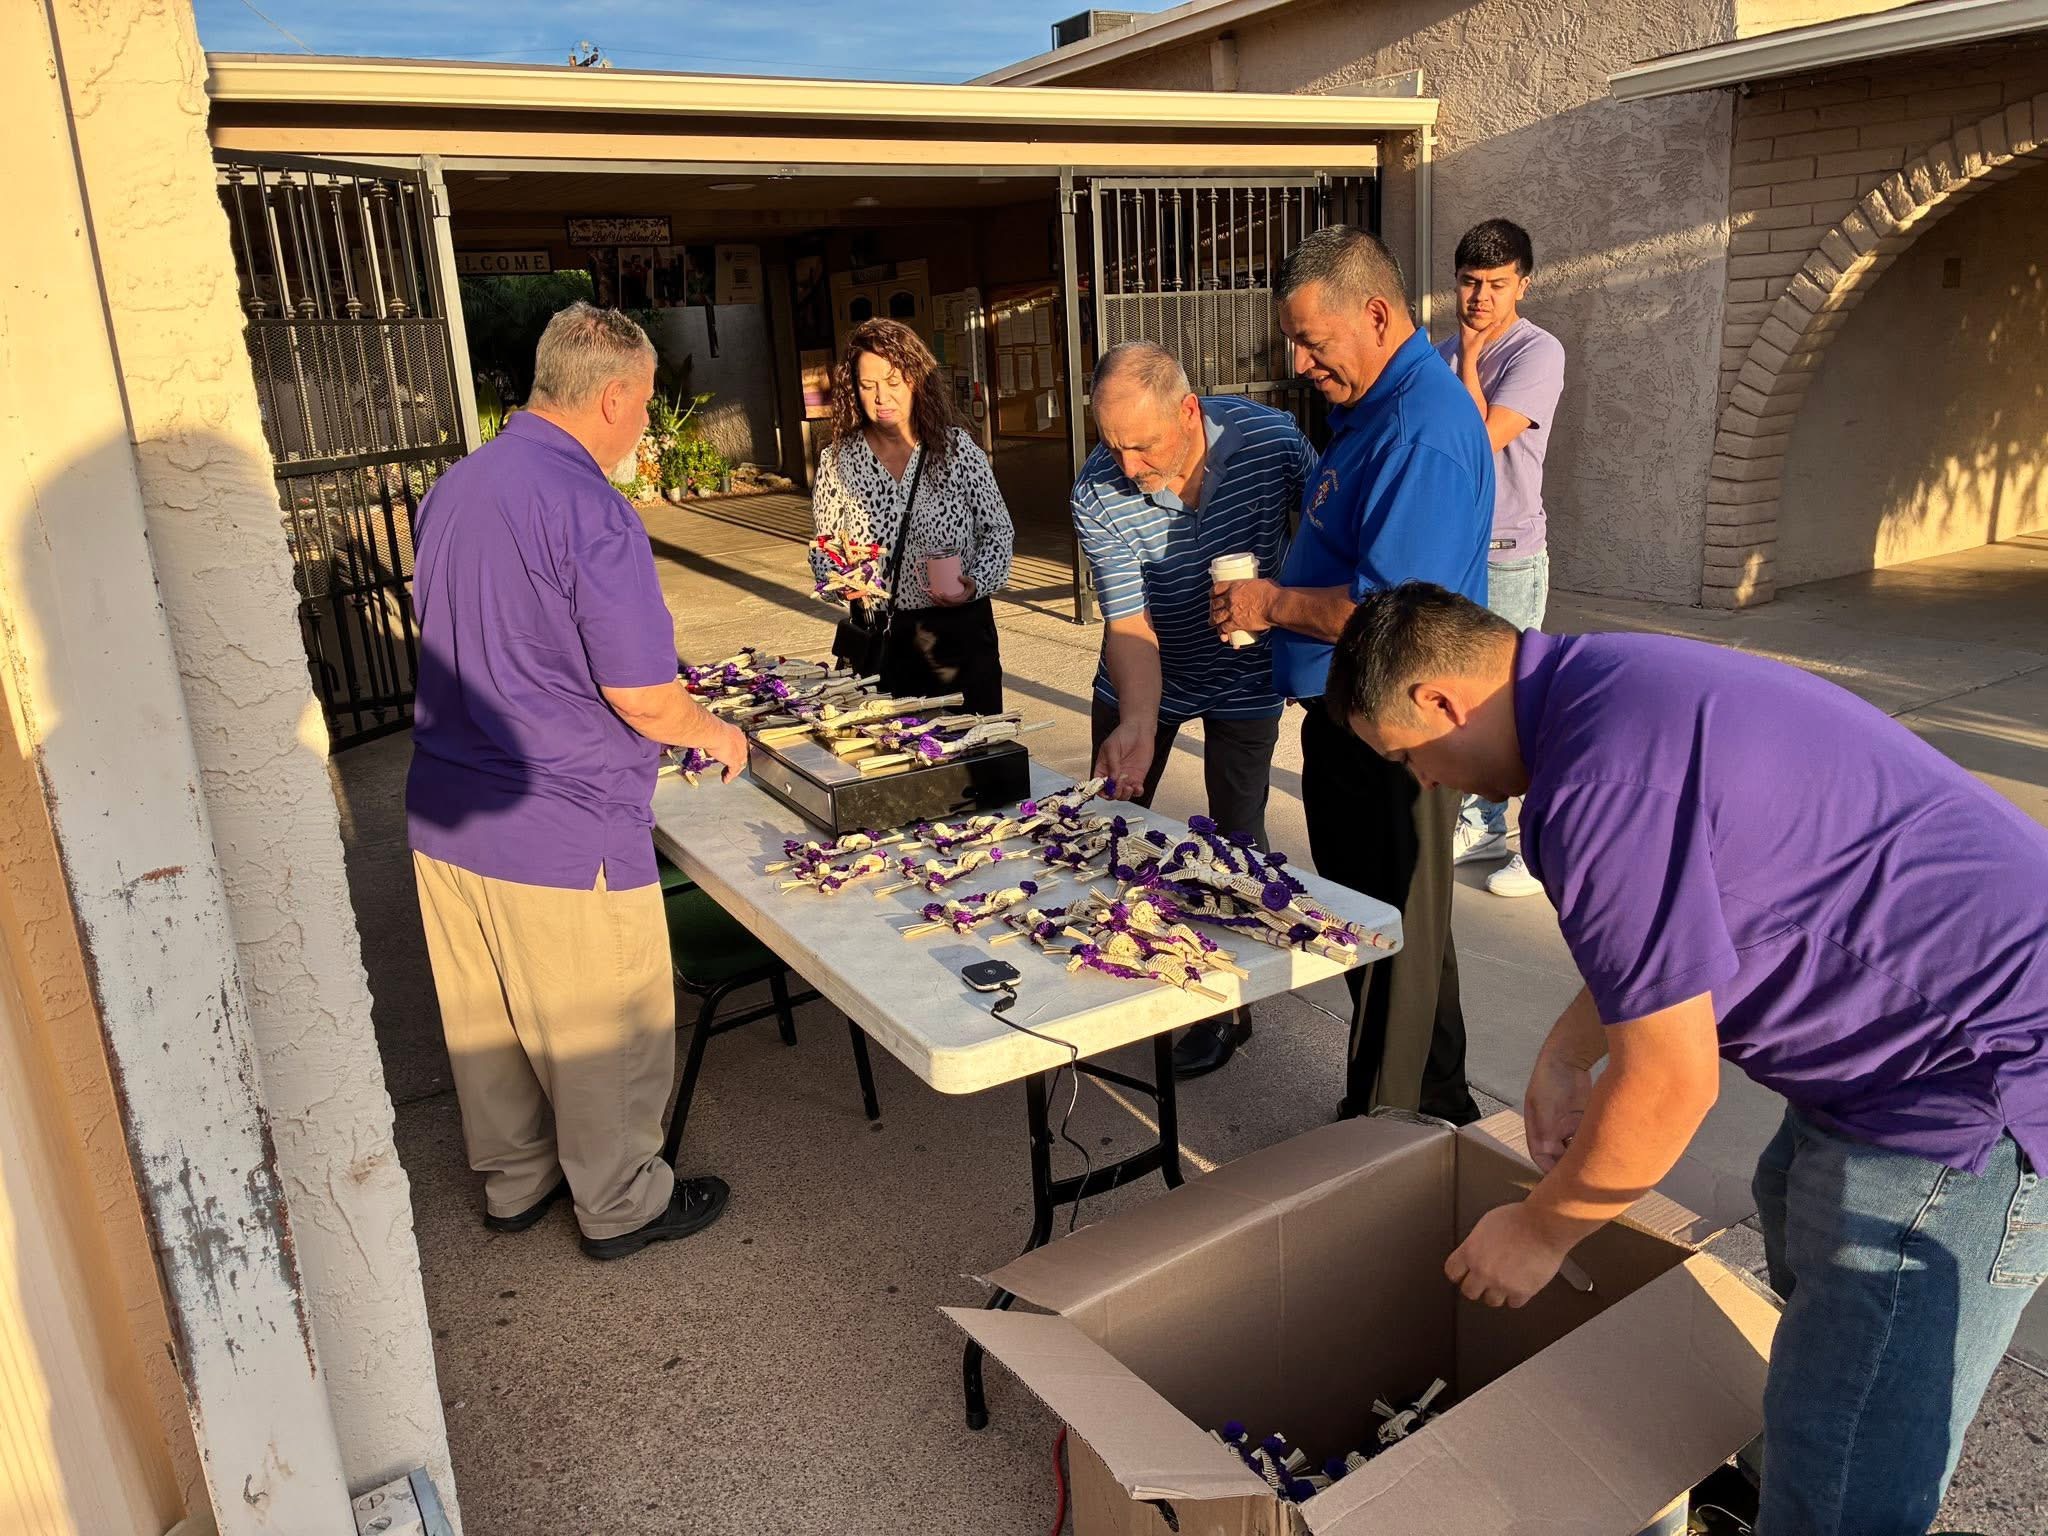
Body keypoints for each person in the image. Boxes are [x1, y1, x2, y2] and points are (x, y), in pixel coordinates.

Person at [1327, 582, 2048, 1536]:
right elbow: (1674, 929)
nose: (1424, 783)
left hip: (1968, 1085)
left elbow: (1671, 1083)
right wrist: (1565, 1055)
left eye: (1408, 757)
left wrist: (1540, 1232)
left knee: (1847, 1468)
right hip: (1902, 1046)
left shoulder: (1593, 787)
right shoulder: (1608, 683)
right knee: (1797, 1221)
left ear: (1440, 701)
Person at [407, 303, 744, 1262]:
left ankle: (515, 1184)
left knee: (490, 1026)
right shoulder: (591, 507)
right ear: (613, 397)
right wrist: (714, 731)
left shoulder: (457, 487)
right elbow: (642, 695)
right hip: (559, 818)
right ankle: (622, 1203)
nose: (644, 425)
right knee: (605, 1033)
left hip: (446, 812)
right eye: (644, 404)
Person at [1209, 225, 1493, 1124]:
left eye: (1311, 341)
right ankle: (1432, 1108)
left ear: (1375, 314)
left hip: (1397, 735)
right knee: (1388, 932)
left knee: (1395, 938)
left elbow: (1392, 618)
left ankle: (1392, 1129)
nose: (1299, 364)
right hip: (1353, 724)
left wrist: (1269, 603)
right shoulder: (1373, 410)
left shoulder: (1419, 431)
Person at [1073, 341, 1316, 1078]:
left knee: (1236, 844)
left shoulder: (1269, 439)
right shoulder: (1096, 491)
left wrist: (1293, 615)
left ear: (1188, 411)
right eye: (1112, 445)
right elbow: (1128, 623)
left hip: (1246, 675)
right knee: (1111, 831)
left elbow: (1327, 529)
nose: (1127, 467)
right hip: (1144, 673)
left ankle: (1223, 1009)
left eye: (1142, 445)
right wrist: (1138, 724)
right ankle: (1112, 974)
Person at [1436, 219, 1566, 900]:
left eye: (1495, 283)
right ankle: (1482, 824)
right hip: (1455, 554)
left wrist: (1468, 358)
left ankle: (1539, 848)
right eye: (1468, 282)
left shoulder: (1537, 352)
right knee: (1464, 700)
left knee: (1515, 704)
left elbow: (1476, 444)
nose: (1480, 297)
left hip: (1510, 555)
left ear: (1523, 284)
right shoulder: (1437, 351)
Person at [810, 318, 1013, 712]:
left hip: (958, 634)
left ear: (917, 381)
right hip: (882, 636)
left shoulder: (956, 450)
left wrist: (975, 583)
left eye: (893, 382)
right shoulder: (838, 461)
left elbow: (998, 531)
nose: (881, 397)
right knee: (890, 743)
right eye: (867, 385)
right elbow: (824, 547)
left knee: (972, 740)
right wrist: (841, 581)